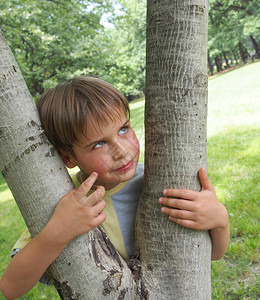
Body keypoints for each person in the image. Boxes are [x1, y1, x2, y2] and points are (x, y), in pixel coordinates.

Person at [0, 76, 229, 299]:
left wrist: (219, 220)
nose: (121, 150)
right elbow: (11, 288)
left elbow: (213, 254)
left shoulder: (158, 183)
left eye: (123, 129)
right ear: (68, 157)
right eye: (99, 144)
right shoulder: (70, 202)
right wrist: (58, 232)